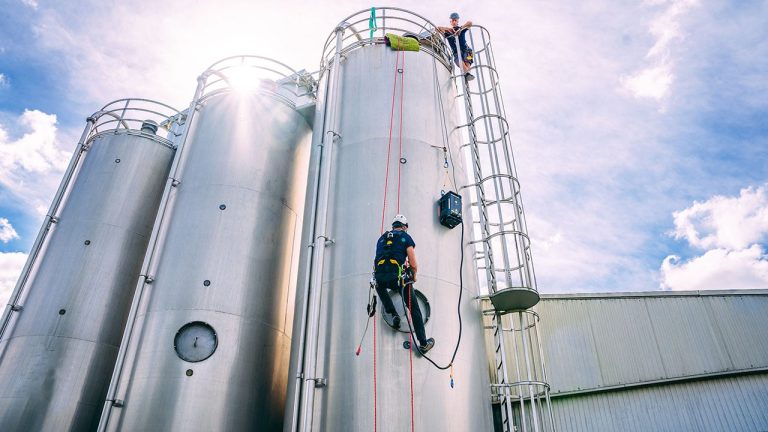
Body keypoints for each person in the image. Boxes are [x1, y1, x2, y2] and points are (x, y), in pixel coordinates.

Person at [373, 214, 435, 353]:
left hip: (380, 277)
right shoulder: (405, 237)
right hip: (398, 279)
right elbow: (412, 262)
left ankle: (393, 314)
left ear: (393, 226)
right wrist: (414, 275)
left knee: (380, 287)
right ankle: (423, 344)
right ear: (405, 227)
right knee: (414, 309)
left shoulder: (381, 239)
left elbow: (377, 258)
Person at [437, 12, 474, 81]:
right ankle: (467, 73)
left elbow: (470, 23)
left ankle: (467, 73)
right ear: (450, 22)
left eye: (455, 20)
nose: (454, 22)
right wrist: (449, 29)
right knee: (459, 61)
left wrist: (460, 29)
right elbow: (438, 28)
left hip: (466, 49)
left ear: (457, 21)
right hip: (456, 52)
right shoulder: (448, 32)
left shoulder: (461, 29)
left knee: (467, 60)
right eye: (452, 20)